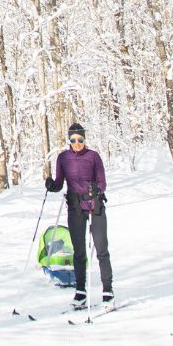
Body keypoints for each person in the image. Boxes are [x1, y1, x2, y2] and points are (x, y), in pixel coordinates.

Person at [43, 123, 112, 309]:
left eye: (80, 140)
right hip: (75, 208)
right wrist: (51, 185)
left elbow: (102, 182)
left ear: (84, 140)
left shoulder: (93, 156)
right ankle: (80, 292)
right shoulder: (63, 158)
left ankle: (108, 292)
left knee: (101, 250)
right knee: (79, 253)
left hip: (95, 205)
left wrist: (97, 189)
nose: (77, 143)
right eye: (73, 140)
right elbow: (59, 184)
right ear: (69, 140)